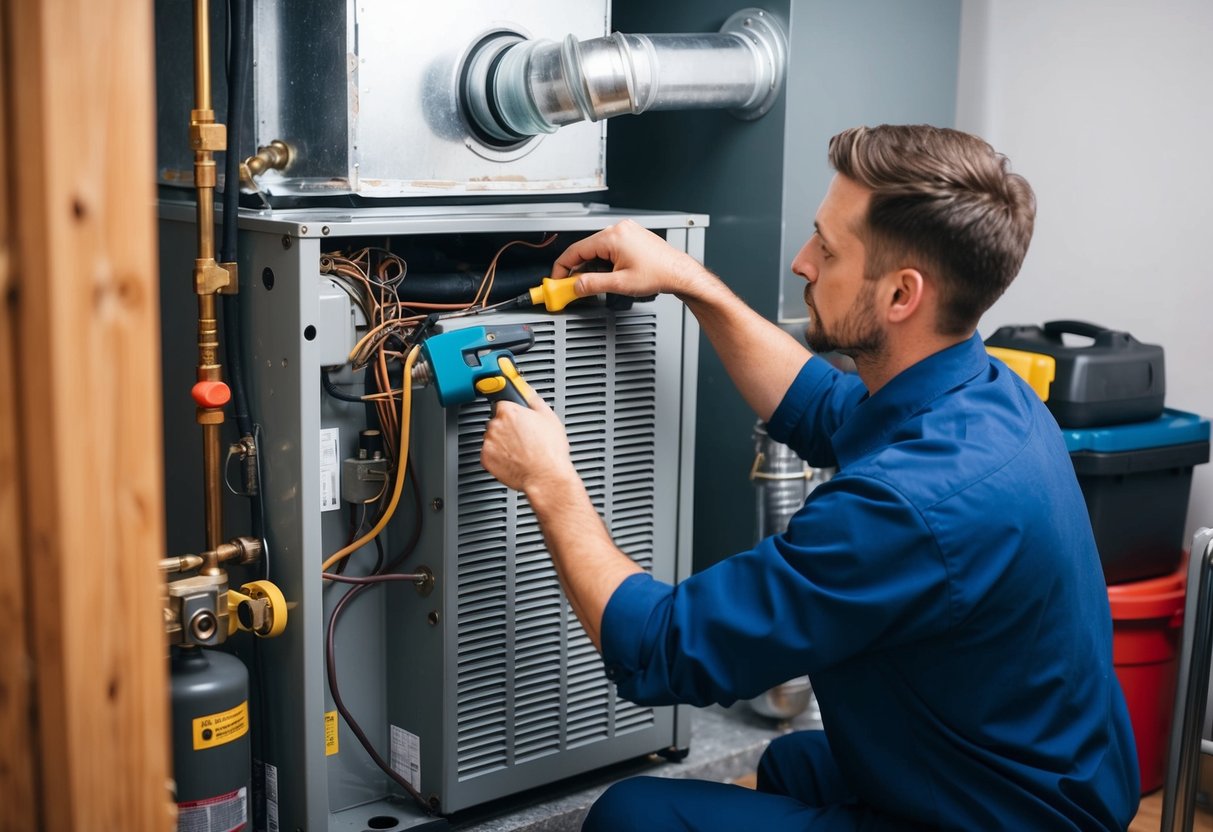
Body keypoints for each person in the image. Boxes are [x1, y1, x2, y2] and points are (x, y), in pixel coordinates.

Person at [480, 124, 1139, 831]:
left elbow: (660, 651)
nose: (801, 261)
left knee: (632, 814)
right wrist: (688, 281)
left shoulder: (907, 507)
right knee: (790, 765)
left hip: (1006, 817)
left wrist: (549, 482)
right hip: (1038, 777)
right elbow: (819, 405)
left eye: (826, 249)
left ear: (899, 296)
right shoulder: (982, 392)